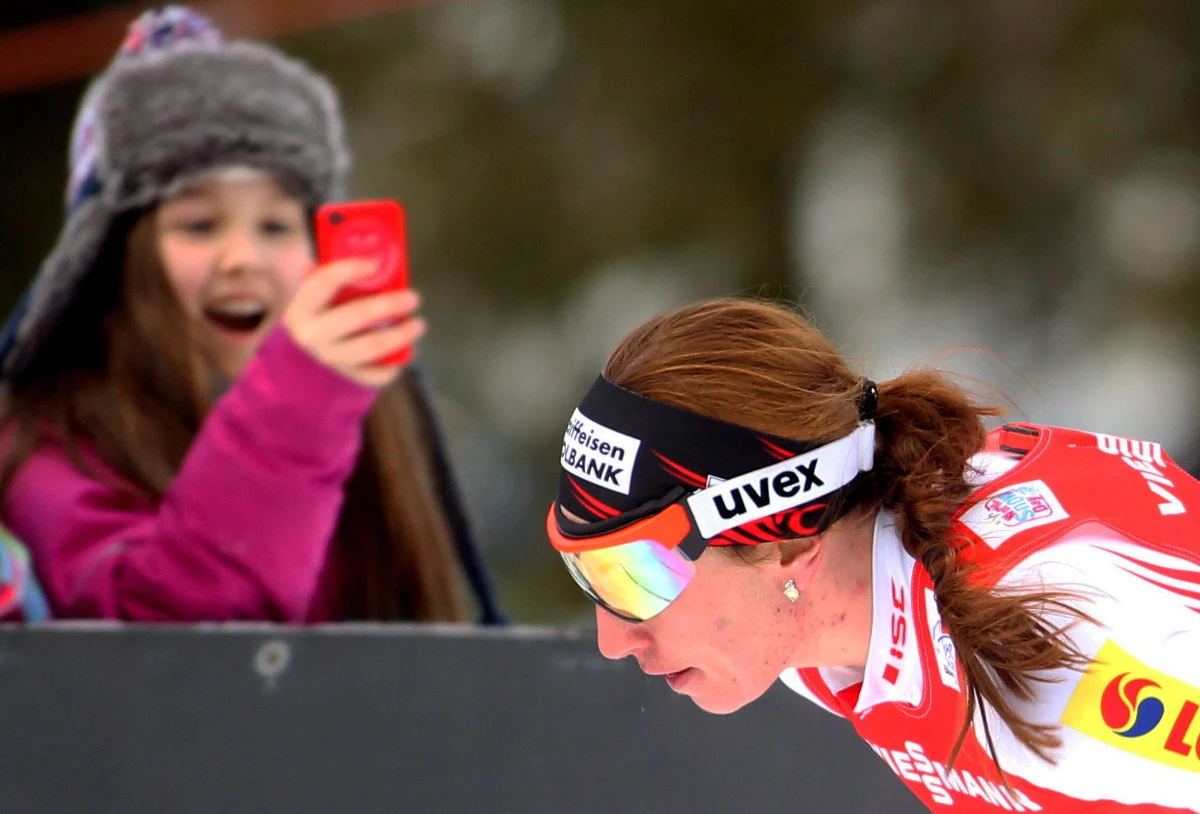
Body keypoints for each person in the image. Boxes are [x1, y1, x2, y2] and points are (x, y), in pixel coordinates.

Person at [545, 297, 1200, 812]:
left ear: (792, 543)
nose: (611, 638)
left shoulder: (1055, 637)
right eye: (586, 572)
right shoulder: (823, 620)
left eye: (634, 574)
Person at [0, 6, 501, 624]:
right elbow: (172, 651)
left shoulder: (367, 426)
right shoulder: (49, 447)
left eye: (276, 225)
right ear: (112, 260)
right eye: (199, 224)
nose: (243, 258)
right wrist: (296, 404)